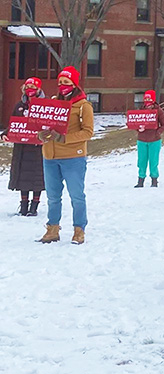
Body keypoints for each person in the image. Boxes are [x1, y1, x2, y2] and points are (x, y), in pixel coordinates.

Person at [36, 66, 95, 244]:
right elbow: (42, 123)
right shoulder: (53, 102)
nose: (63, 85)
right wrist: (40, 133)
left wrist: (63, 138)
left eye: (66, 82)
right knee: (53, 196)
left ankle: (79, 230)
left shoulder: (84, 106)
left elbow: (88, 132)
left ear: (74, 84)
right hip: (50, 156)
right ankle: (52, 229)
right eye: (60, 82)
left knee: (76, 195)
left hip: (73, 157)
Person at [1, 77, 45, 217]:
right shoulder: (19, 105)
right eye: (27, 87)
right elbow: (14, 124)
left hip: (38, 147)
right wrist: (5, 134)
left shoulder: (46, 105)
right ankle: (24, 205)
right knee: (22, 175)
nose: (29, 89)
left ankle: (35, 205)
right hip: (22, 147)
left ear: (38, 89)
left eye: (32, 86)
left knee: (37, 176)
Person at [133, 90, 164, 188]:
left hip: (154, 140)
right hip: (142, 140)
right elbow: (135, 123)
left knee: (154, 161)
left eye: (149, 98)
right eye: (146, 98)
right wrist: (138, 129)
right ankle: (141, 180)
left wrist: (157, 132)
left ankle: (154, 180)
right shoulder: (141, 110)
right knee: (141, 161)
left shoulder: (159, 111)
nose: (147, 100)